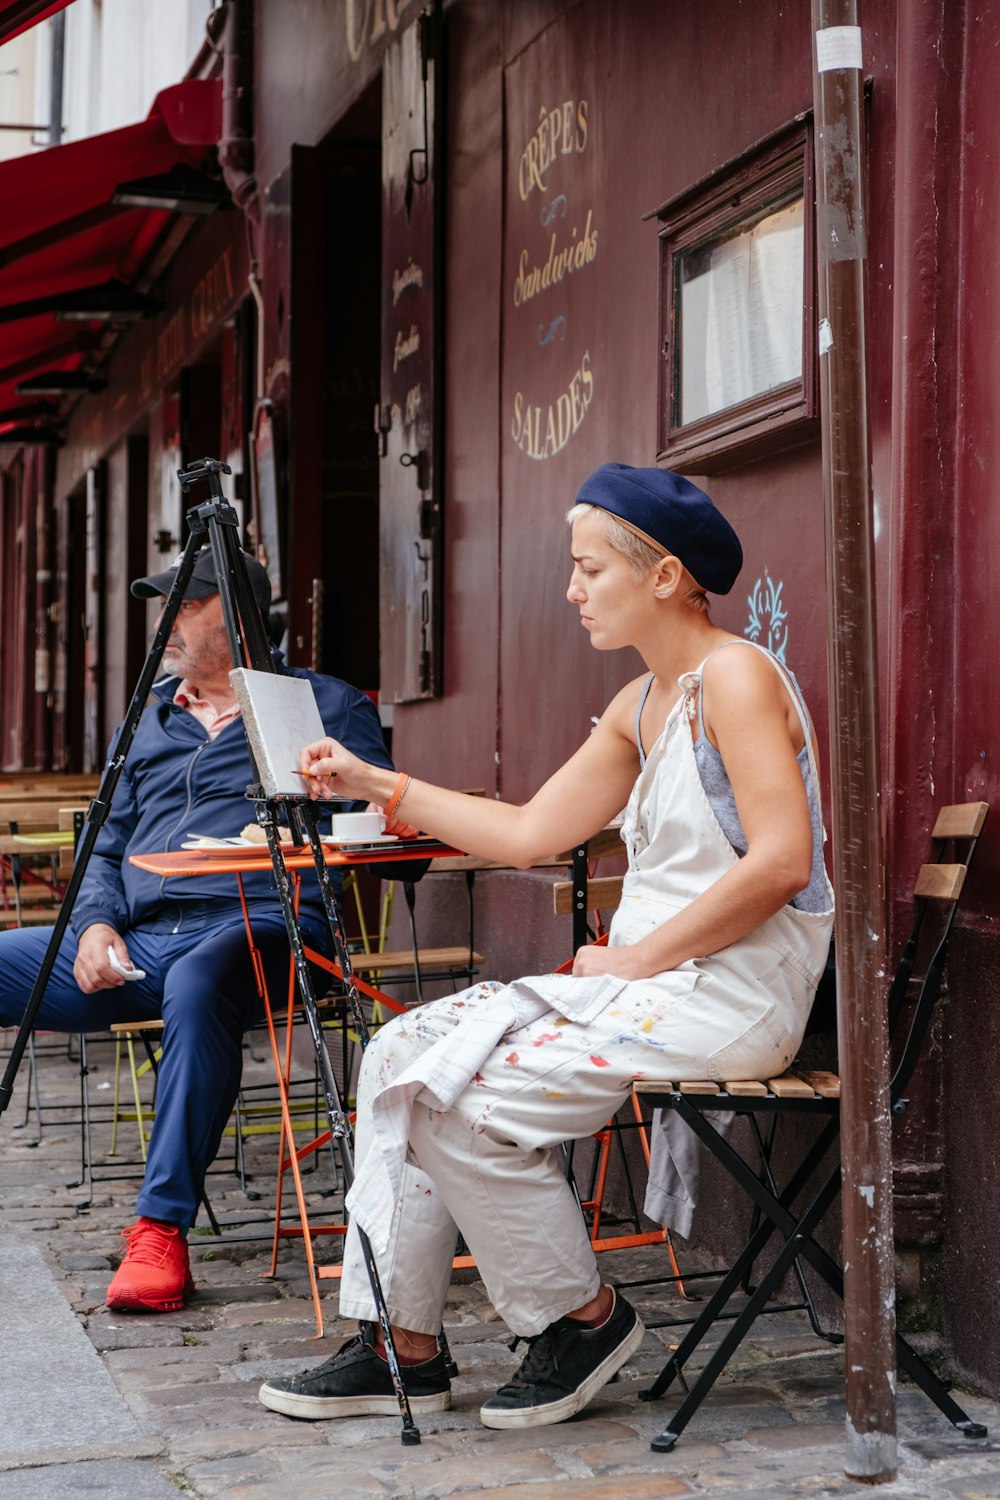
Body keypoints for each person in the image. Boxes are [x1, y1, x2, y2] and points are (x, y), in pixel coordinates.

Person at [258, 463, 834, 1431]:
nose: (570, 590)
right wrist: (374, 779)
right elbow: (528, 832)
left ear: (661, 577)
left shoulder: (733, 678)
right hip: (659, 987)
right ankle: (403, 1343)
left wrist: (634, 959)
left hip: (733, 995)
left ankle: (583, 1319)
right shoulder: (642, 702)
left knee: (452, 1098)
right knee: (400, 1054)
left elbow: (781, 862)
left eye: (588, 569)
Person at [0, 546, 398, 1314]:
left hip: (270, 933)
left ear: (240, 616)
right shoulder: (148, 717)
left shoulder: (323, 703)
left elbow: (378, 831)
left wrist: (338, 804)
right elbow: (104, 845)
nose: (168, 622)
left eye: (186, 604)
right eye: (168, 605)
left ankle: (159, 1230)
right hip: (143, 939)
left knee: (200, 980)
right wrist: (93, 925)